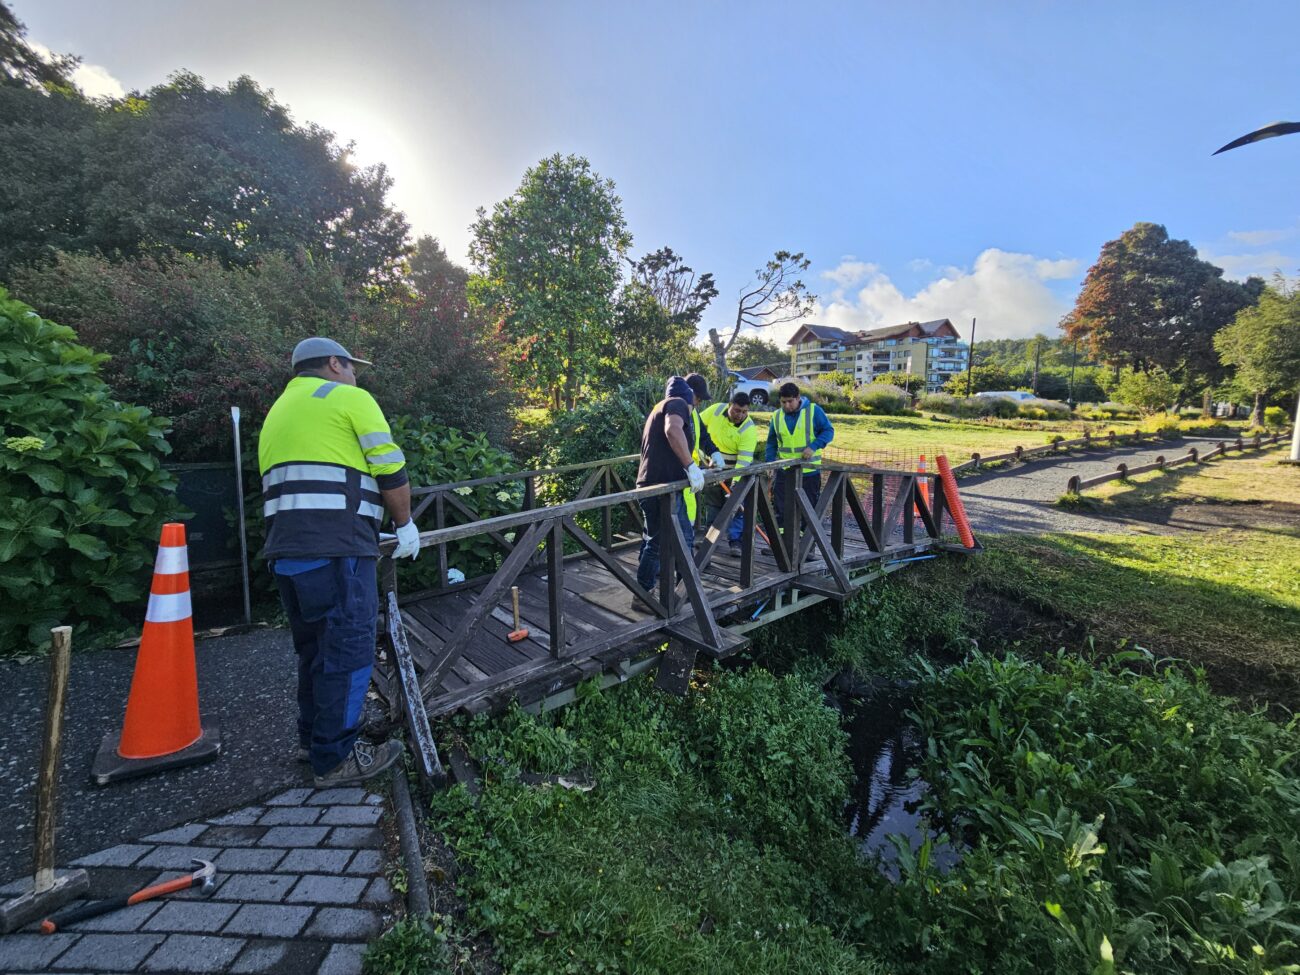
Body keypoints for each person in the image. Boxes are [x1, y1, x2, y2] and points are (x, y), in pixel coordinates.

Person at [259, 337, 421, 787]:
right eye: (352, 367)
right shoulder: (349, 398)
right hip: (339, 552)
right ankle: (335, 760)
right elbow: (389, 467)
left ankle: (312, 741)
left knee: (313, 652)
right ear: (334, 364)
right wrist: (404, 523)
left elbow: (318, 481)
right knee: (348, 653)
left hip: (288, 552)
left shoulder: (279, 411)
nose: (355, 375)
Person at [635, 375, 713, 590]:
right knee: (658, 543)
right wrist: (690, 465)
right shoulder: (677, 404)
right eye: (695, 403)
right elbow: (673, 430)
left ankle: (684, 588)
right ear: (689, 398)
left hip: (657, 486)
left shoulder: (659, 407)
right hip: (661, 489)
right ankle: (644, 593)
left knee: (679, 538)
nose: (695, 408)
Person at [765, 381, 834, 524]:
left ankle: (804, 541)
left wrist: (814, 446)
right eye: (783, 402)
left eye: (790, 401)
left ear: (798, 398)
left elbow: (828, 431)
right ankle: (782, 540)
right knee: (781, 507)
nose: (787, 405)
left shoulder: (814, 411)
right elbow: (771, 442)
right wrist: (770, 463)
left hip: (809, 472)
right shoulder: (776, 416)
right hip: (785, 471)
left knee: (807, 509)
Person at [698, 391, 757, 556]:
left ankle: (736, 542)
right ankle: (710, 539)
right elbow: (696, 426)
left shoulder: (748, 429)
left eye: (745, 411)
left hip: (735, 471)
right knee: (713, 504)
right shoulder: (716, 410)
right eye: (737, 410)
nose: (740, 415)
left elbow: (744, 462)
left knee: (737, 506)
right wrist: (702, 455)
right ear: (729, 405)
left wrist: (735, 484)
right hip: (713, 468)